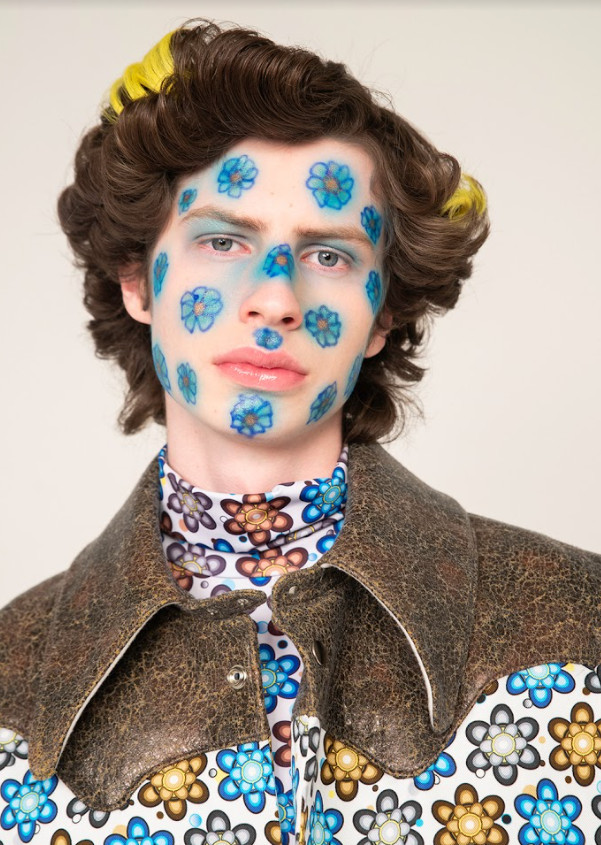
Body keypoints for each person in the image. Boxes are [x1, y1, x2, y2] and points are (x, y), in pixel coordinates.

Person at [1, 18, 600, 845]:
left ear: (381, 313)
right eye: (222, 240)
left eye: (328, 255)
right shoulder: (12, 689)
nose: (276, 298)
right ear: (137, 278)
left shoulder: (580, 625)